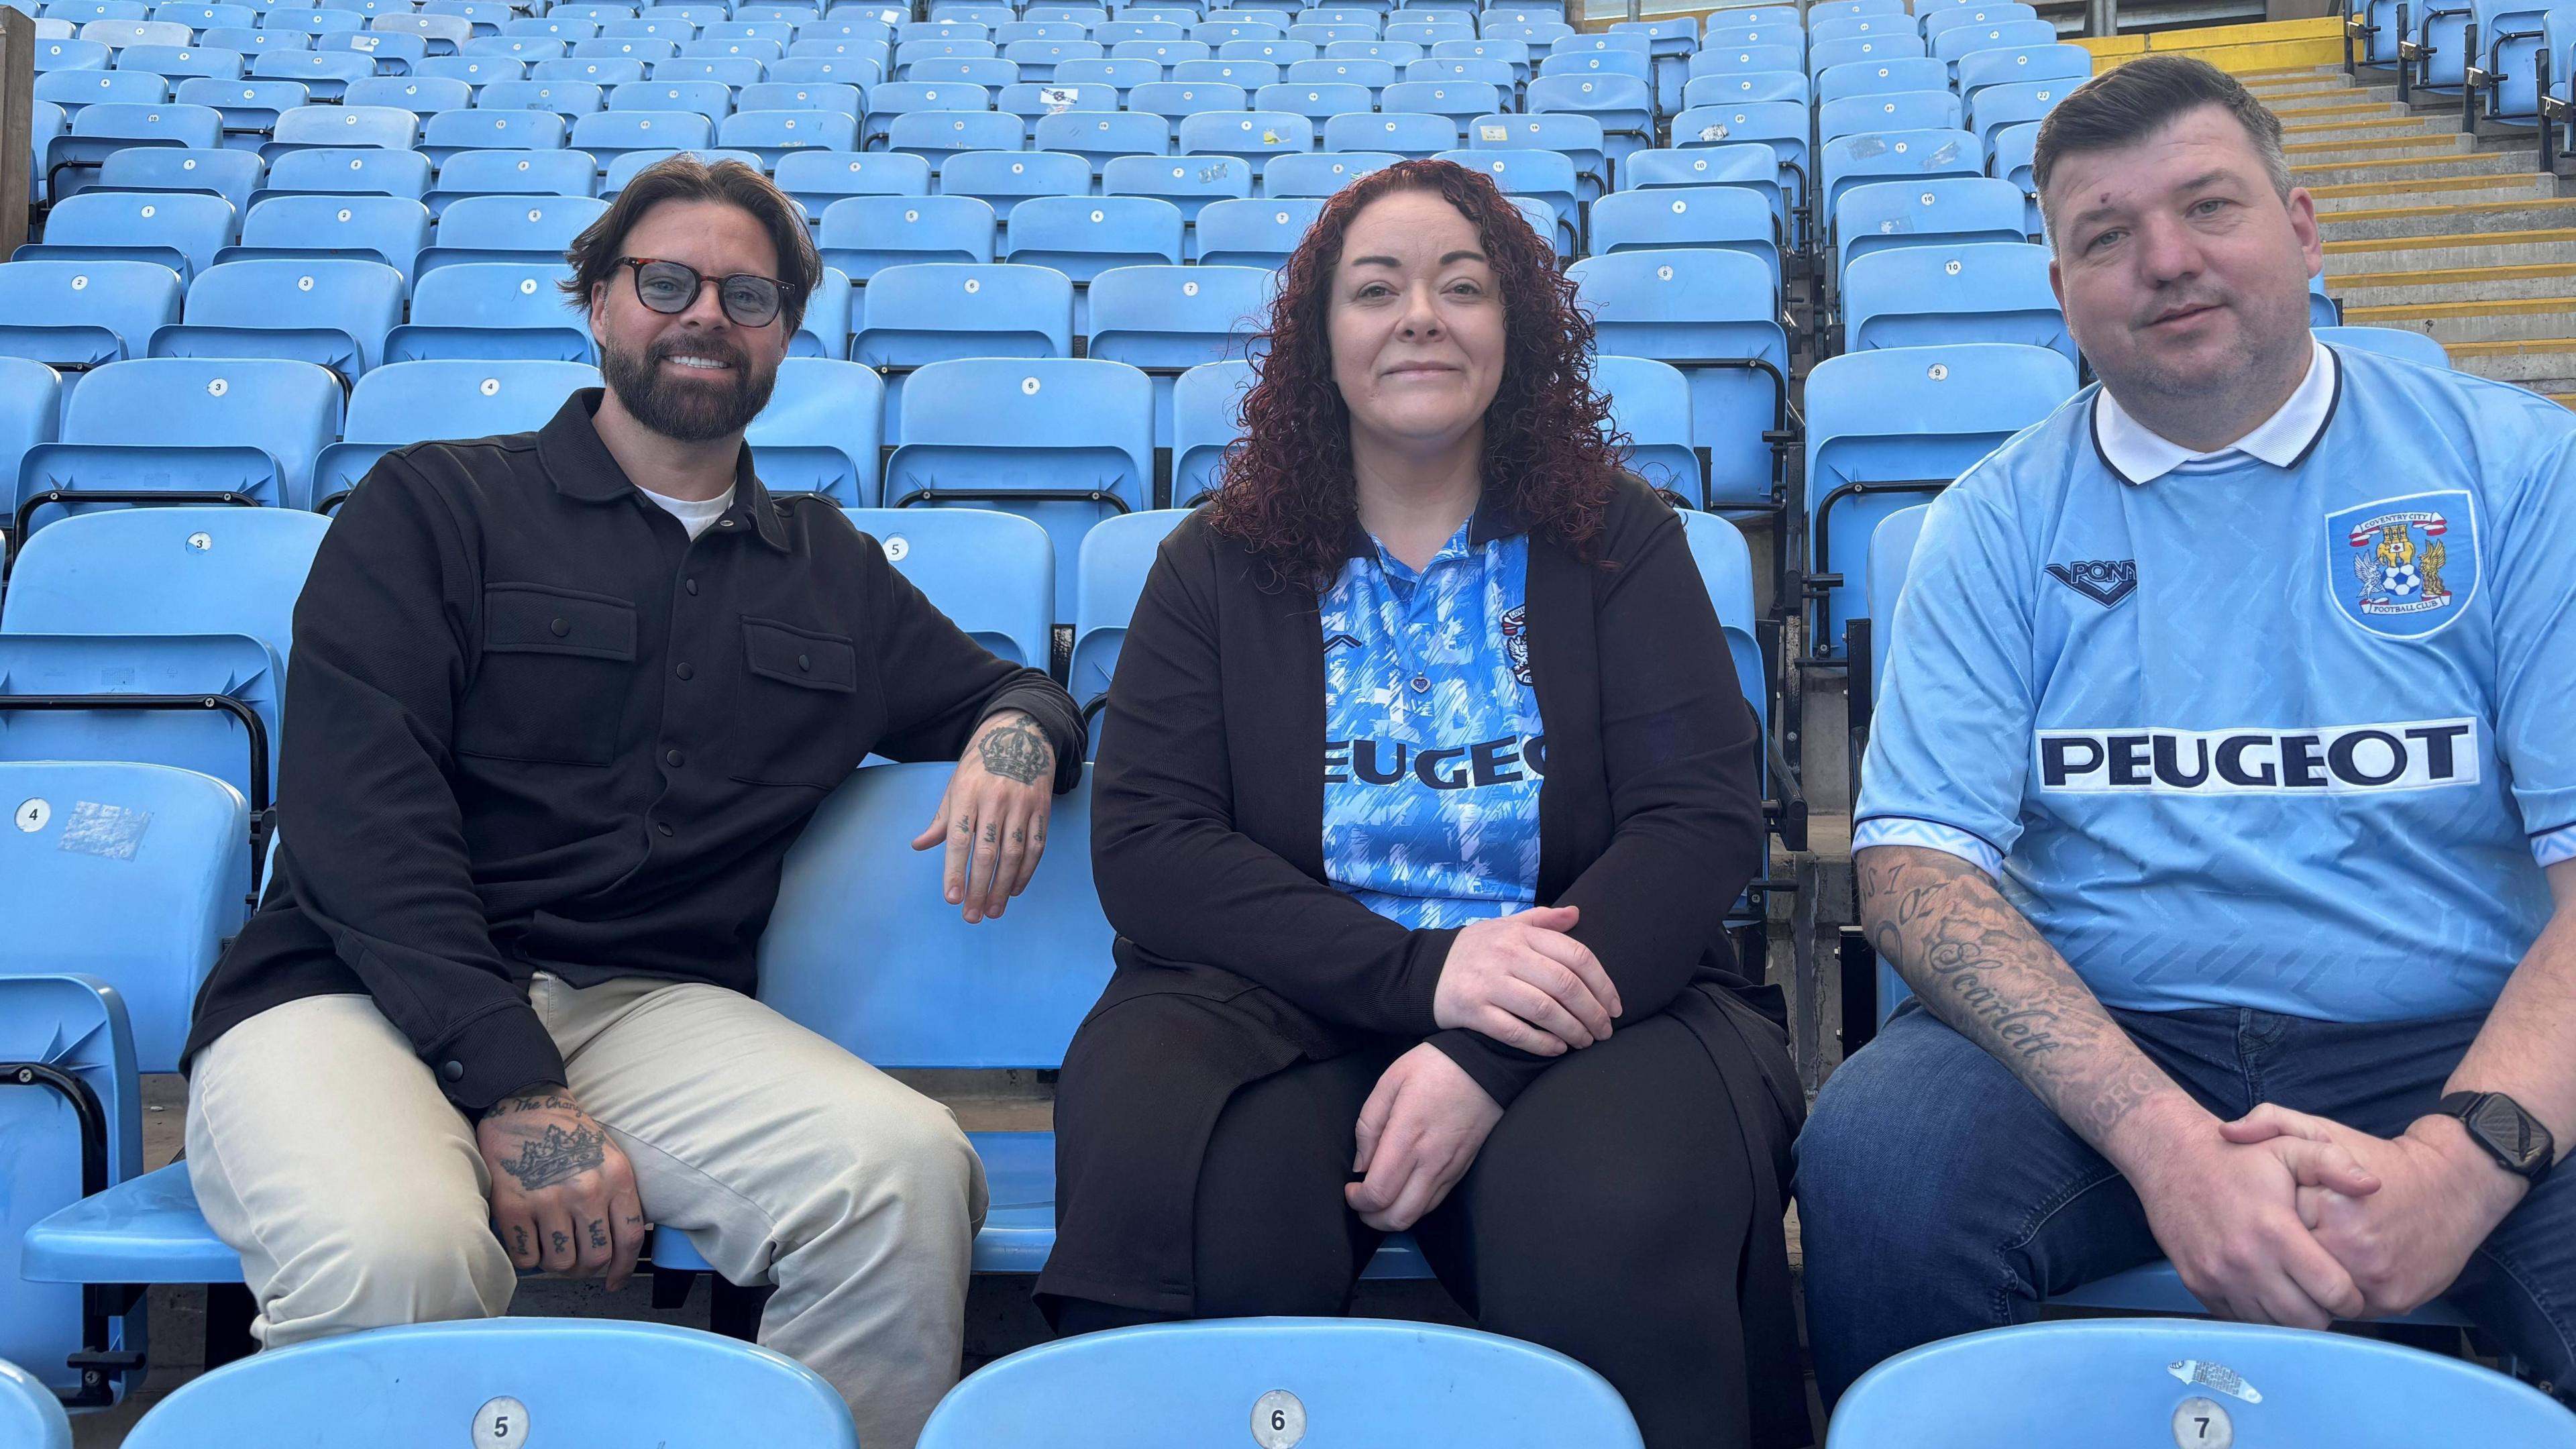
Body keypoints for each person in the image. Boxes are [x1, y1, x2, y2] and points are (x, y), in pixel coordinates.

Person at [178, 156, 1085, 1449]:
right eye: (667, 282)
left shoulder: (827, 568)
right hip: (349, 991)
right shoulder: (435, 505)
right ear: (599, 304)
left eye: (750, 296)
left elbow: (1009, 687)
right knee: (397, 1253)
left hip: (642, 1012)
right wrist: (514, 1085)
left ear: (784, 336)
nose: (707, 313)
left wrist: (1016, 735)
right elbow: (361, 822)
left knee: (904, 1175)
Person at [1796, 56, 2576, 1404]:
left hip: (2456, 1032)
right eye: (2106, 236)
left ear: (2303, 224)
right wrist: (2161, 1140)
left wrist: (2466, 1160)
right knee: (1879, 1160)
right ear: (2059, 291)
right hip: (2113, 1034)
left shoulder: (2514, 476)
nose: (2166, 260)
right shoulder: (1993, 522)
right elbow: (1916, 875)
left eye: (2210, 207)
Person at [1037, 158, 1809, 1449]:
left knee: (1612, 1217)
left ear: (1518, 327)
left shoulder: (1619, 542)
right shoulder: (1212, 564)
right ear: (1319, 338)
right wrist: (1421, 980)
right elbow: (1155, 850)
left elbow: (1697, 825)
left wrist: (1487, 1046)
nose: (1421, 316)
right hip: (1268, 1000)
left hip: (1588, 1000)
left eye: (1464, 286)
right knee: (1208, 1223)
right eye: (1376, 289)